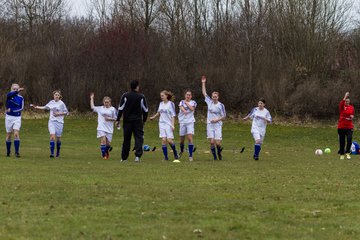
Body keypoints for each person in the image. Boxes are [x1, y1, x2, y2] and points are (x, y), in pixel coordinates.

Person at [115, 80, 148, 162]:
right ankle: (137, 157)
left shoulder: (125, 95)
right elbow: (145, 110)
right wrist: (144, 120)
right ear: (137, 87)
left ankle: (124, 158)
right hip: (137, 121)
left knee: (126, 139)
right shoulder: (141, 96)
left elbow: (120, 108)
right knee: (138, 138)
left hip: (127, 121)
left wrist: (118, 119)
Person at [31, 90, 68, 158]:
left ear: (59, 96)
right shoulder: (51, 102)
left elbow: (66, 113)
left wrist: (58, 114)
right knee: (52, 136)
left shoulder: (62, 104)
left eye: (58, 95)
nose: (56, 96)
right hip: (52, 122)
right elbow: (45, 107)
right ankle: (52, 153)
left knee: (58, 139)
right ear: (53, 96)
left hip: (59, 123)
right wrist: (37, 107)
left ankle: (58, 152)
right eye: (55, 95)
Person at [201, 76, 226, 160]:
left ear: (218, 97)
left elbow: (224, 116)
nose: (214, 98)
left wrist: (216, 120)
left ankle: (219, 153)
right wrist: (203, 82)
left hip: (218, 125)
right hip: (210, 124)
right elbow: (204, 93)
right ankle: (215, 157)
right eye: (213, 96)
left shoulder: (221, 105)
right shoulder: (209, 102)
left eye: (215, 96)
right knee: (212, 142)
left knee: (218, 143)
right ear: (211, 97)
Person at [150, 90, 179, 161]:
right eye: (161, 96)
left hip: (168, 124)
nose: (161, 97)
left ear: (166, 96)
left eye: (162, 95)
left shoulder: (171, 104)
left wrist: (173, 125)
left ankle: (175, 152)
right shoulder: (161, 104)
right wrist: (153, 117)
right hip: (161, 123)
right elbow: (159, 112)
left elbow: (173, 115)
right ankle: (166, 157)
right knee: (163, 140)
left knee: (169, 140)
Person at [90, 93, 117, 160]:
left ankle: (107, 151)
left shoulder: (113, 109)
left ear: (110, 102)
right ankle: (103, 155)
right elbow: (92, 107)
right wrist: (92, 98)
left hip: (109, 128)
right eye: (105, 102)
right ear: (103, 102)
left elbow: (116, 118)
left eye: (107, 102)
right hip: (101, 127)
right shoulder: (100, 108)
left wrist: (109, 119)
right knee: (103, 141)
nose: (106, 103)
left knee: (107, 144)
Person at [5, 83, 24, 157]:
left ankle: (17, 152)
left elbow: (21, 108)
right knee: (9, 135)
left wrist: (12, 110)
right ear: (11, 89)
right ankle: (8, 151)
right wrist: (17, 91)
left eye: (17, 89)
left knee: (16, 133)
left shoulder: (21, 98)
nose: (16, 90)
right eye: (14, 89)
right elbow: (9, 95)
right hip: (9, 118)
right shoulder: (9, 95)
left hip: (17, 118)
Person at [178, 90, 197, 161]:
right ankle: (182, 150)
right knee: (181, 141)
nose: (188, 96)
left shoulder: (193, 102)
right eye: (187, 95)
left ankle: (190, 155)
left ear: (191, 96)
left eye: (189, 95)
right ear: (185, 95)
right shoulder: (181, 102)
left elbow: (192, 109)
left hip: (190, 122)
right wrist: (184, 110)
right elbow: (182, 108)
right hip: (182, 122)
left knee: (189, 138)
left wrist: (186, 103)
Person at [337, 92, 354, 160]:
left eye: (348, 101)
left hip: (349, 127)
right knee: (342, 141)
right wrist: (345, 96)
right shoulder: (342, 107)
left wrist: (352, 116)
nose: (347, 102)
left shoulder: (351, 107)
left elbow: (352, 114)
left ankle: (347, 153)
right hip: (341, 127)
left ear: (349, 101)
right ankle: (342, 154)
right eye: (346, 101)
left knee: (349, 140)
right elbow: (341, 103)